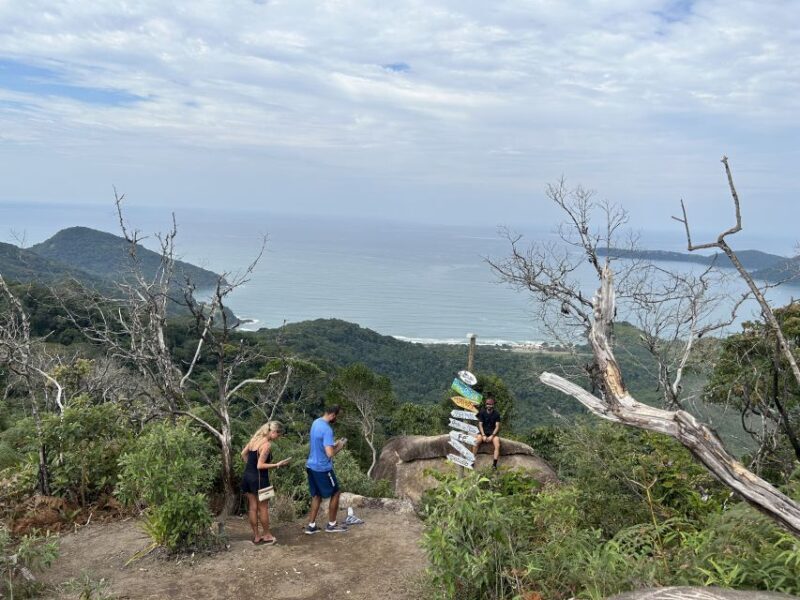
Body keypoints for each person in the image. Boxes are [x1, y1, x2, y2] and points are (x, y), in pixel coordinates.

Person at [240, 421, 290, 545]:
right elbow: (260, 465)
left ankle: (257, 536)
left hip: (247, 477)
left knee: (252, 507)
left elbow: (243, 454)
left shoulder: (255, 439)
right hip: (260, 479)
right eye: (278, 435)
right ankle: (267, 535)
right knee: (263, 508)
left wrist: (249, 467)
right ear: (273, 432)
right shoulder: (266, 445)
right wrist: (277, 465)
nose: (278, 438)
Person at [304, 405, 348, 534]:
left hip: (311, 466)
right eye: (337, 416)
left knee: (317, 495)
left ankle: (311, 526)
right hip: (322, 468)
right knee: (335, 493)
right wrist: (340, 445)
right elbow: (329, 453)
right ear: (333, 415)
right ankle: (332, 525)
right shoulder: (327, 429)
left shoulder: (316, 423)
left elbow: (321, 444)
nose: (336, 419)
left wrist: (332, 444)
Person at [476, 396, 502, 469]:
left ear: (493, 405)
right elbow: (480, 425)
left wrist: (492, 436)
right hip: (483, 432)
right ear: (486, 404)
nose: (489, 405)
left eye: (490, 404)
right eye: (487, 404)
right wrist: (483, 435)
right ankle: (472, 460)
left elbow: (497, 426)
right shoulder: (482, 412)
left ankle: (494, 465)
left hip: (492, 433)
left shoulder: (496, 414)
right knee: (476, 441)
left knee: (497, 444)